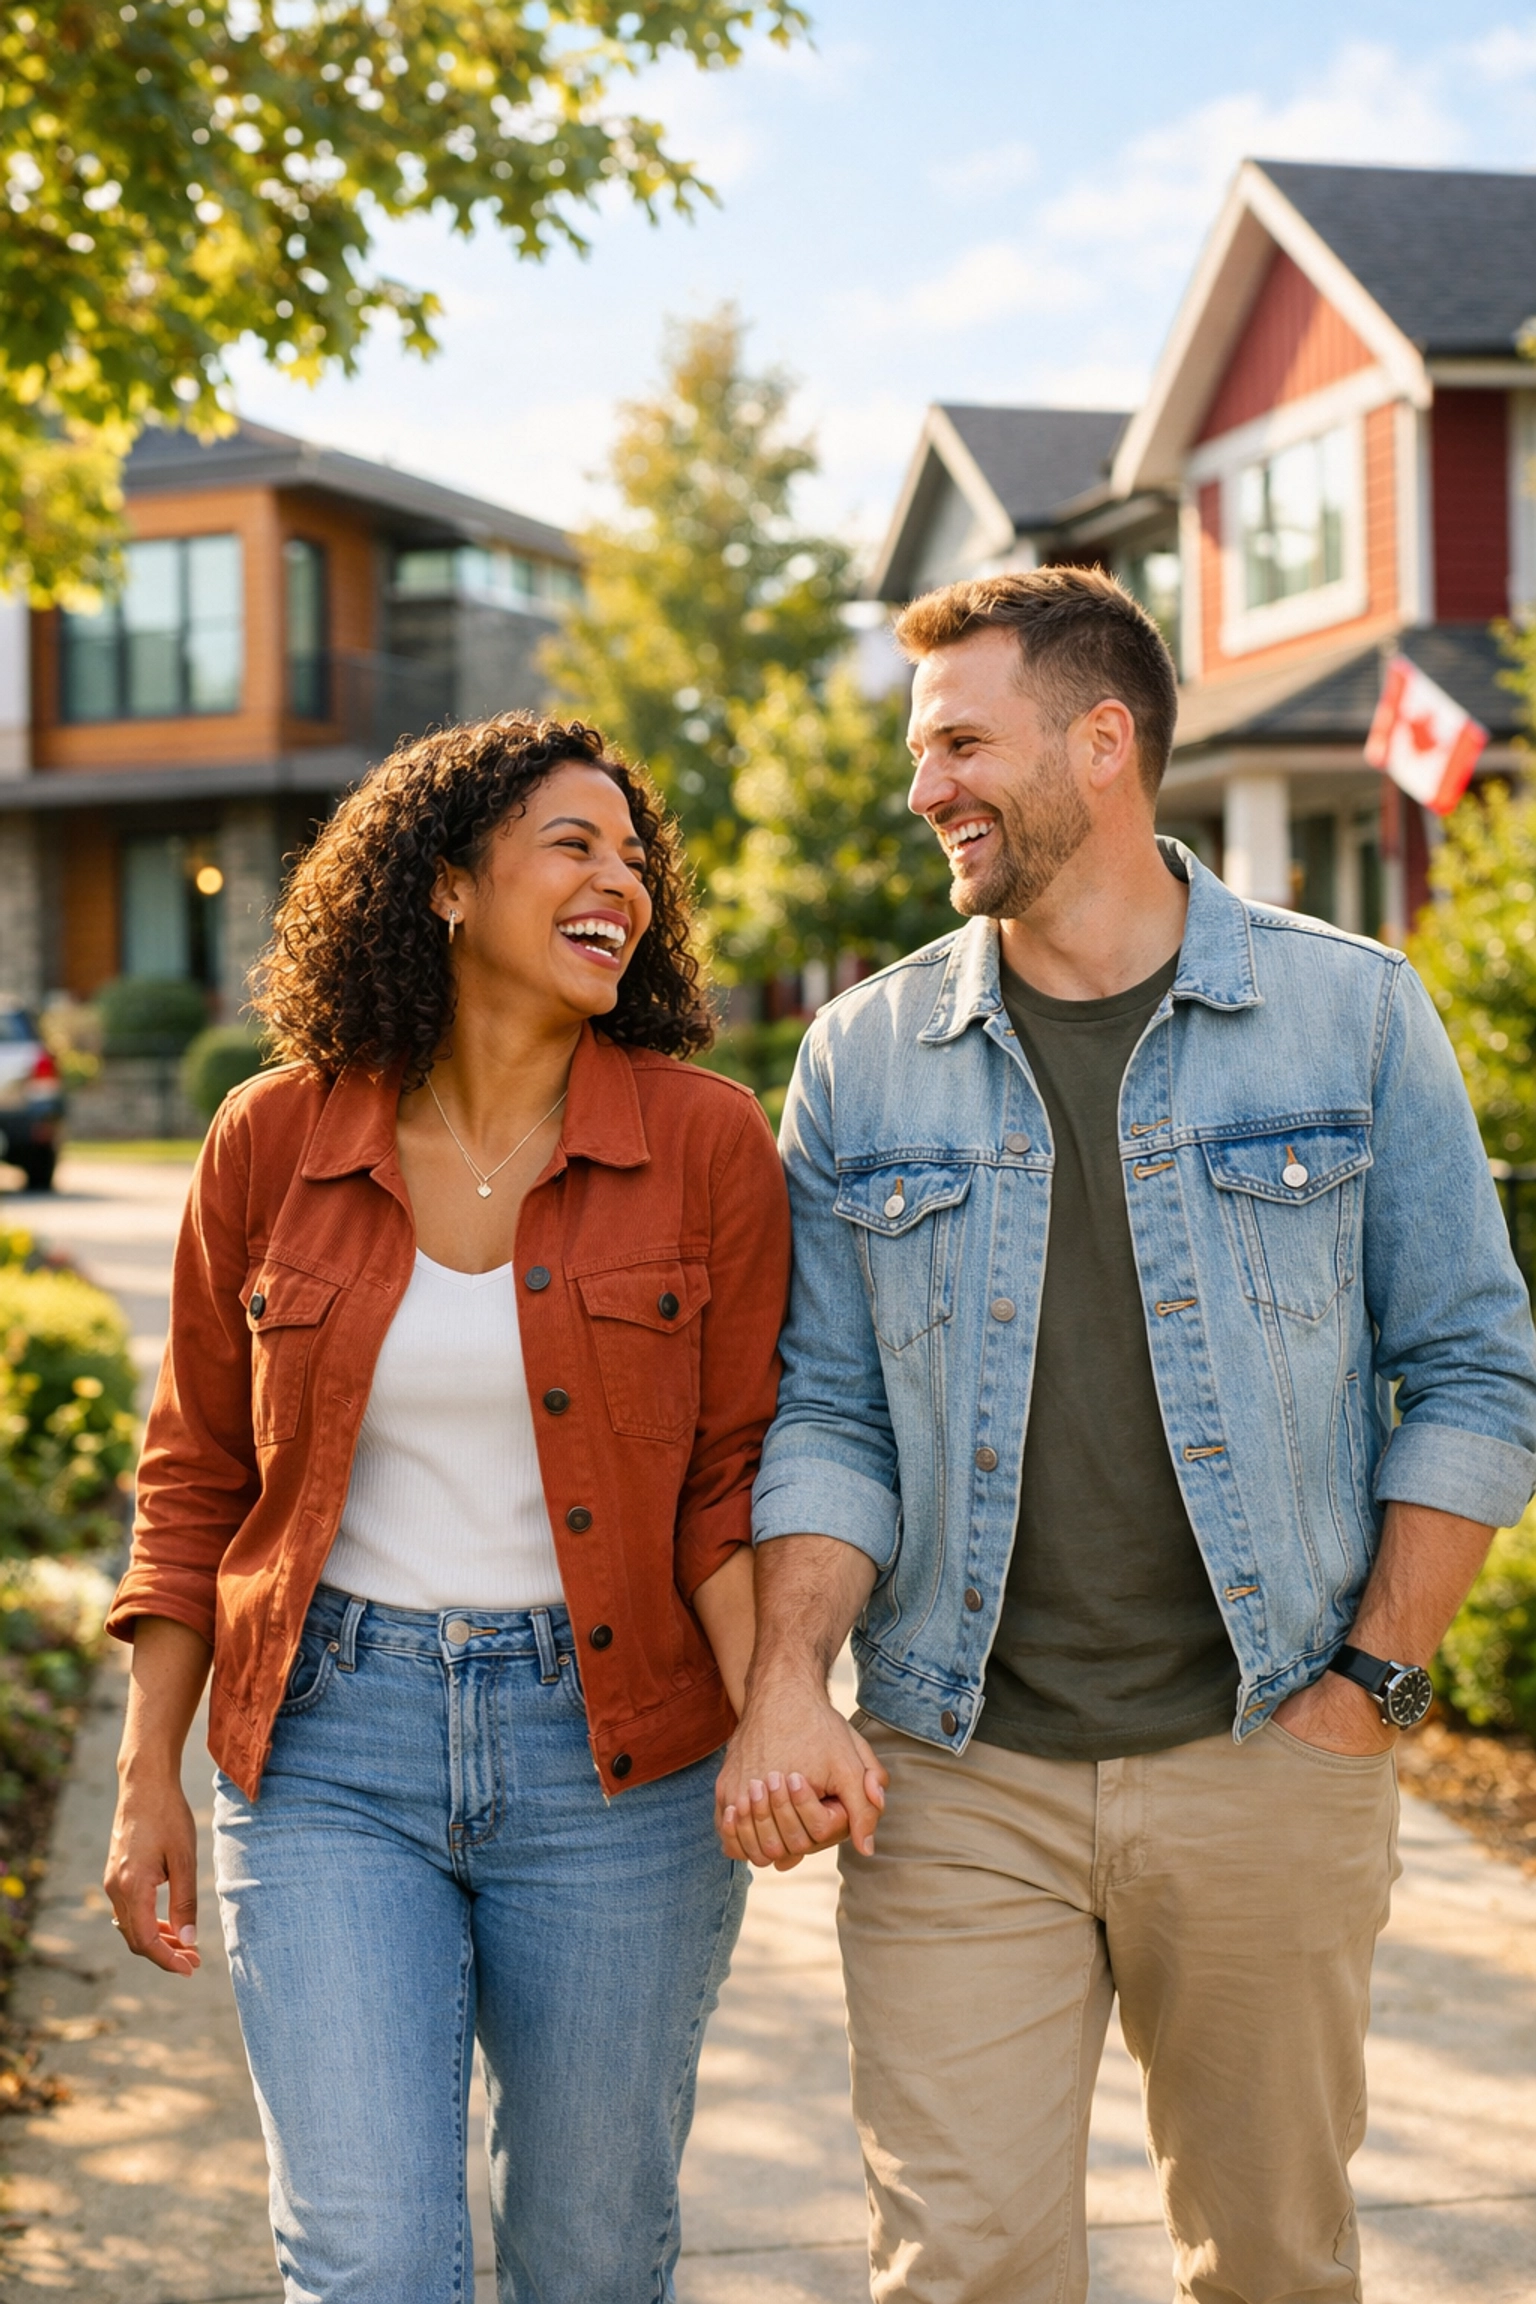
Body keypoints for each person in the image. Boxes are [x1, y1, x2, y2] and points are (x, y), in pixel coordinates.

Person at [717, 568, 1536, 2304]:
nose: (921, 787)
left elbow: (1475, 1370)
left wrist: (1368, 1687)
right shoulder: (865, 1059)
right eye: (916, 749)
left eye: (956, 743)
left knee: (1270, 2266)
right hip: (956, 1772)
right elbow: (833, 1410)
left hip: (1268, 1751)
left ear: (1102, 744)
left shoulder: (1353, 1014)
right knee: (965, 2268)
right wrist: (791, 1677)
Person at [104, 713, 789, 2304]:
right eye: (573, 843)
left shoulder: (706, 1140)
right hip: (332, 1741)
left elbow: (732, 1479)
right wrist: (151, 1774)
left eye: (636, 857)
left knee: (590, 2253)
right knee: (368, 2258)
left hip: (618, 1762)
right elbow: (196, 1471)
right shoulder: (272, 1137)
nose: (621, 876)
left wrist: (780, 1712)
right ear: (445, 888)